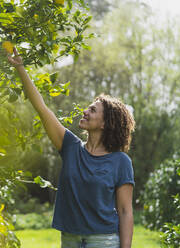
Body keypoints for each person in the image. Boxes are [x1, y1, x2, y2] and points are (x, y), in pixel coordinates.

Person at [7, 47, 135, 248]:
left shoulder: (121, 162)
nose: (85, 111)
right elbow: (42, 108)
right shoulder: (70, 147)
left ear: (105, 123)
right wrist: (20, 68)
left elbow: (126, 211)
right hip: (69, 239)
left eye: (92, 110)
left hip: (104, 241)